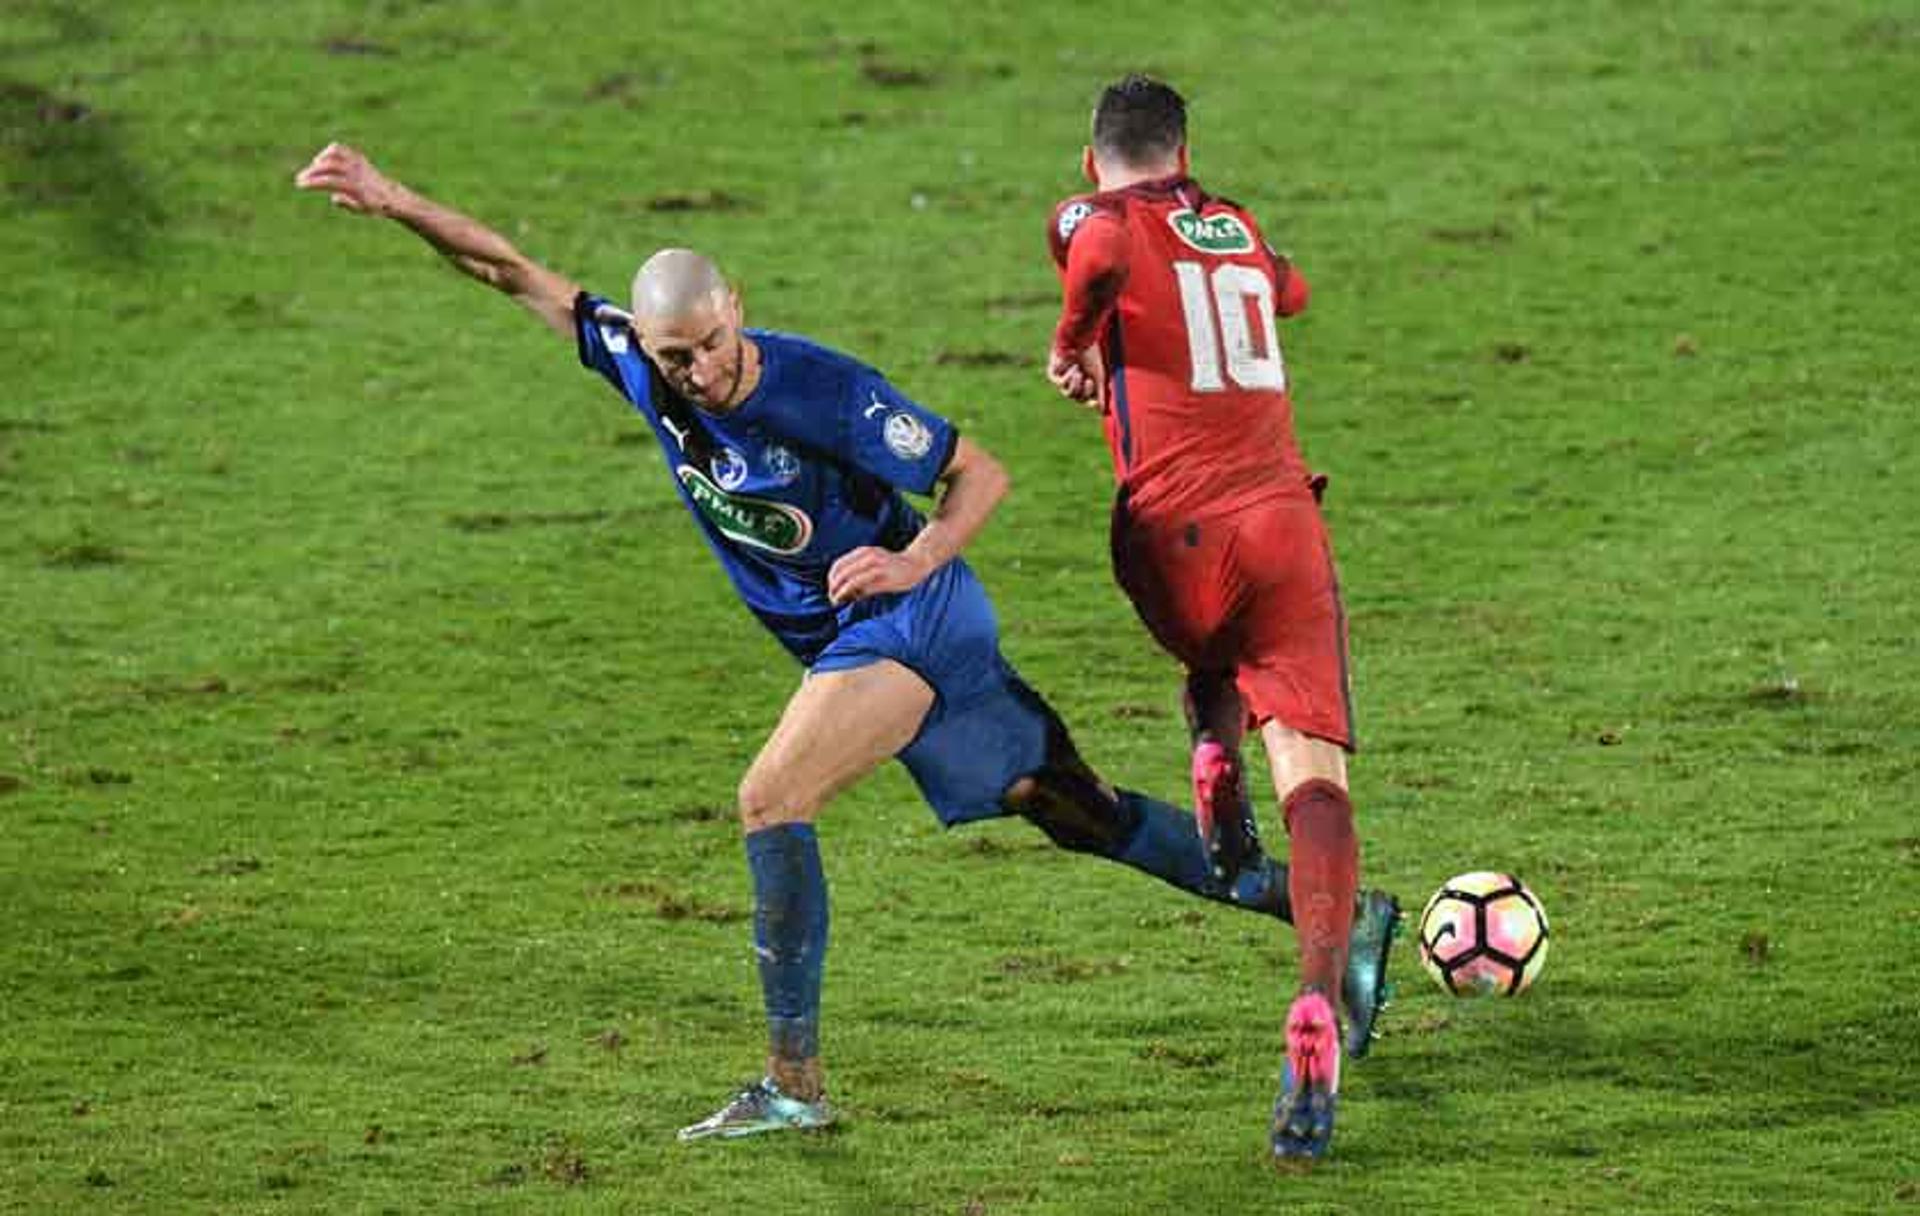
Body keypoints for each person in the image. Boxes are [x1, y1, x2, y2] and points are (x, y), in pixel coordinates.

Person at [294, 140, 1391, 1144]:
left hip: (910, 621)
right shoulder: (646, 370)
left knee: (770, 795)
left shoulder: (819, 388)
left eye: (713, 344)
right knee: (1078, 813)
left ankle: (793, 1084)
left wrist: (914, 560)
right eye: (676, 356)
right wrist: (392, 201)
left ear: (739, 312)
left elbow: (980, 472)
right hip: (878, 634)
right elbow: (512, 272)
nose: (699, 371)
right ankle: (1343, 922)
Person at [1045, 76, 1397, 1161]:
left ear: (1092, 155)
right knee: (1320, 775)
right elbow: (1289, 292)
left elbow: (1097, 249)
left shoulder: (1084, 216)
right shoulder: (1232, 222)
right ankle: (1316, 998)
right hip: (1278, 524)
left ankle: (1209, 741)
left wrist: (1074, 338)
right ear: (1186, 147)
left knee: (1211, 652)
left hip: (1166, 540)